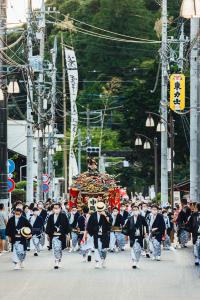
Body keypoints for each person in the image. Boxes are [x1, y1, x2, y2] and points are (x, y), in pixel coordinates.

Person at [87, 202, 112, 269]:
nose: (100, 211)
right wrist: (91, 233)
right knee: (96, 248)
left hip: (104, 234)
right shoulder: (93, 215)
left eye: (101, 210)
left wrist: (105, 216)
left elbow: (110, 223)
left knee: (104, 249)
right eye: (99, 210)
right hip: (96, 235)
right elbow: (89, 225)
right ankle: (97, 262)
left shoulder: (107, 214)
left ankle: (103, 260)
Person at [46, 203, 70, 269]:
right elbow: (48, 226)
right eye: (54, 208)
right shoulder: (51, 216)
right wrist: (48, 234)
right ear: (53, 209)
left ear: (60, 209)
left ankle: (59, 260)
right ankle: (56, 261)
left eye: (57, 208)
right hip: (53, 236)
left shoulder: (63, 216)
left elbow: (67, 225)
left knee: (59, 249)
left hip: (61, 236)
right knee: (55, 248)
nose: (56, 209)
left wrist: (68, 234)